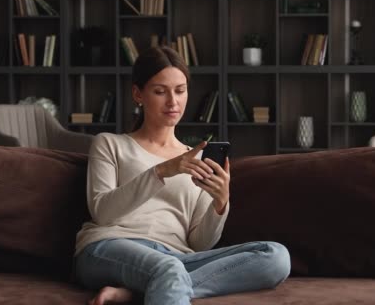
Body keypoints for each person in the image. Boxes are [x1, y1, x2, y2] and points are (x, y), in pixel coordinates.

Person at [73, 46, 290, 305]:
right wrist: (162, 171)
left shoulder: (197, 159)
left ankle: (138, 292)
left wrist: (220, 204)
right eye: (160, 91)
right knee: (168, 269)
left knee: (275, 256)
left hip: (176, 257)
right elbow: (103, 212)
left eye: (180, 90)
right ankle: (160, 283)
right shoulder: (109, 144)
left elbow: (199, 243)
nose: (173, 102)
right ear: (137, 94)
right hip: (110, 247)